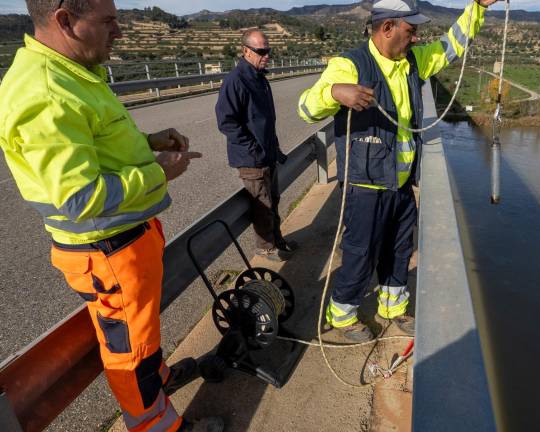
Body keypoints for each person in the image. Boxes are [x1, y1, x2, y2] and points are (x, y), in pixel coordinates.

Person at [0, 1, 221, 431]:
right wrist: (158, 171)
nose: (119, 31)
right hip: (108, 249)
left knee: (140, 338)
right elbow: (78, 197)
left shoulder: (69, 71)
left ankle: (156, 383)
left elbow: (96, 139)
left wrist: (148, 139)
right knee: (132, 354)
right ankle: (155, 423)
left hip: (121, 242)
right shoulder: (46, 92)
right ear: (65, 20)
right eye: (108, 22)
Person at [298, 0, 498, 341]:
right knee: (361, 254)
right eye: (411, 30)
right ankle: (342, 314)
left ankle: (392, 307)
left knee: (399, 250)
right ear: (387, 28)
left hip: (402, 184)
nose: (417, 38)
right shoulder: (349, 65)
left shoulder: (412, 62)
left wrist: (477, 6)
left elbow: (451, 45)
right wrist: (335, 92)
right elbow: (306, 107)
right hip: (365, 186)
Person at [216, 29, 296, 262]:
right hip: (252, 159)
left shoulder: (259, 78)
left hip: (267, 154)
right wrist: (253, 149)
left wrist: (271, 148)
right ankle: (266, 247)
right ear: (246, 51)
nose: (266, 56)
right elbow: (226, 122)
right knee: (262, 205)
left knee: (274, 201)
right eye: (261, 51)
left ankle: (278, 240)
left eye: (268, 51)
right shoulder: (236, 81)